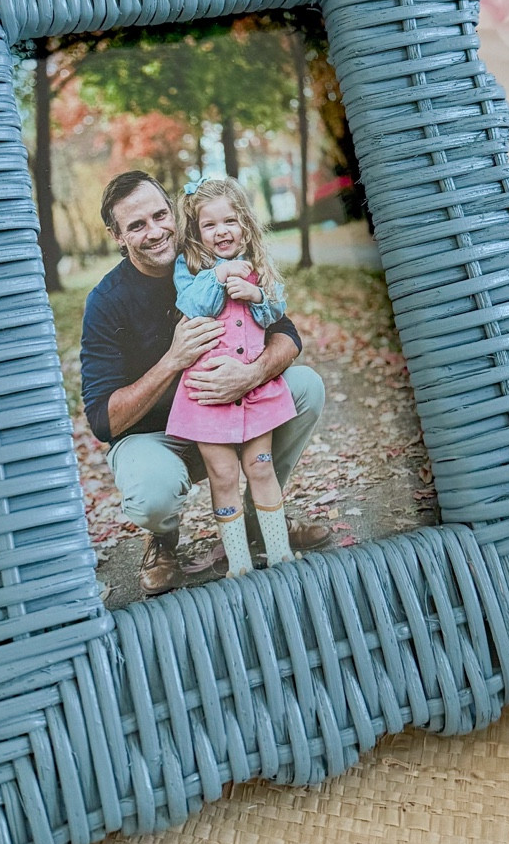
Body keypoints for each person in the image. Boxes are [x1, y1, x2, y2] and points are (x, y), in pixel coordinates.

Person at [79, 170, 330, 597]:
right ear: (117, 236)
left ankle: (260, 517)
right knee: (150, 491)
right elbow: (104, 419)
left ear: (175, 213)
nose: (155, 232)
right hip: (160, 437)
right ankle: (162, 540)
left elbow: (287, 335)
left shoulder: (209, 257)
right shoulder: (106, 302)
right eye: (137, 226)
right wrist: (172, 361)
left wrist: (251, 374)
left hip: (235, 409)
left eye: (161, 215)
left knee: (305, 385)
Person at [167, 177, 296, 578]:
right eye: (210, 225)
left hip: (254, 389)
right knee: (222, 475)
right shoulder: (190, 268)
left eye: (230, 221)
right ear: (197, 231)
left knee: (260, 465)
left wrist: (255, 294)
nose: (221, 231)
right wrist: (220, 276)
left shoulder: (258, 265)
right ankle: (238, 563)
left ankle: (279, 553)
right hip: (207, 393)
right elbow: (192, 306)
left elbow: (276, 310)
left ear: (245, 223)